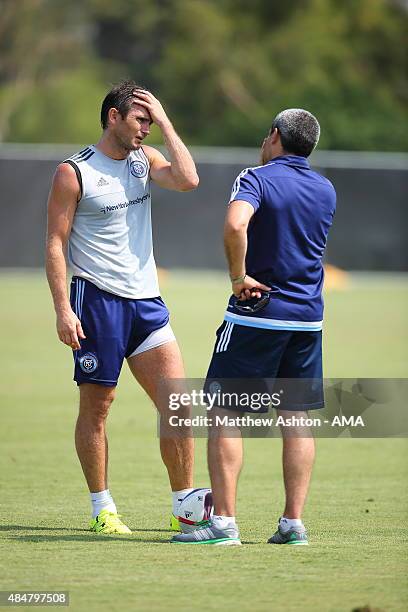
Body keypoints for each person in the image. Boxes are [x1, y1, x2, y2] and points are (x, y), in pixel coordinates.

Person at [171, 108, 336, 545]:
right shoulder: (326, 188)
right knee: (295, 417)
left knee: (224, 411)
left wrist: (237, 277)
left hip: (258, 313)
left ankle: (223, 524)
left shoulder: (256, 177)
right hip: (308, 320)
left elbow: (235, 224)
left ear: (274, 136)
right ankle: (292, 524)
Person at [46, 80, 199, 534]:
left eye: (151, 121)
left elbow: (189, 180)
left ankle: (184, 507)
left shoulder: (143, 160)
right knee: (98, 407)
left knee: (179, 405)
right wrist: (61, 309)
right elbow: (55, 242)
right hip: (96, 302)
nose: (146, 129)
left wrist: (167, 122)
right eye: (140, 119)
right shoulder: (73, 172)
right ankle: (102, 508)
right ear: (113, 116)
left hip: (147, 303)